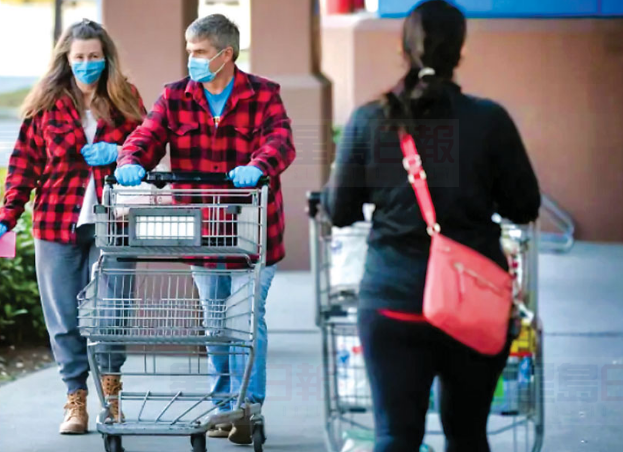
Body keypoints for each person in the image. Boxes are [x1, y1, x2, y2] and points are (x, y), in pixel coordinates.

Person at [321, 1, 540, 451]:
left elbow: (339, 211)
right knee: (467, 435)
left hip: (392, 302)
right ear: (460, 54)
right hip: (473, 303)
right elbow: (525, 206)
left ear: (404, 51)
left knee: (395, 436)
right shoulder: (490, 120)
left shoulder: (369, 120)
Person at [114, 13, 296, 445]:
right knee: (216, 325)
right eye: (189, 51)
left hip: (253, 233)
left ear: (225, 54)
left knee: (245, 321)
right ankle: (222, 407)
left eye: (198, 52)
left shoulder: (264, 95)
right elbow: (147, 134)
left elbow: (281, 141)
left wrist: (258, 166)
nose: (190, 59)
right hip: (202, 234)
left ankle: (247, 409)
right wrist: (130, 162)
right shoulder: (175, 97)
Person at [0, 19, 146, 435]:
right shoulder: (47, 104)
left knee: (112, 312)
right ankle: (75, 398)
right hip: (57, 222)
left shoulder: (126, 98)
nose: (87, 64)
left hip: (114, 220)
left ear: (106, 57)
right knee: (64, 317)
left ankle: (111, 395)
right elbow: (23, 165)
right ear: (66, 59)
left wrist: (121, 151)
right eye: (79, 57)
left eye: (94, 56)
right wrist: (8, 215)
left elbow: (148, 146)